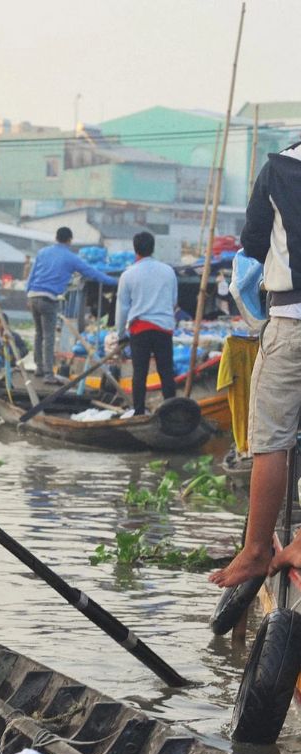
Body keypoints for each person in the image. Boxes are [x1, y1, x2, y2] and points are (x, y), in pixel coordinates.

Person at [211, 141, 301, 587]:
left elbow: (252, 242)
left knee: (272, 440)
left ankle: (256, 549)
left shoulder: (281, 167)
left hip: (291, 319)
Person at [26, 226, 118, 384]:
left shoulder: (42, 253)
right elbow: (92, 273)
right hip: (49, 298)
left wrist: (28, 295)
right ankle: (48, 374)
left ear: (56, 238)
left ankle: (39, 367)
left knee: (38, 334)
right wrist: (116, 282)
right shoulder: (71, 258)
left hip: (34, 296)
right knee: (48, 336)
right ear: (69, 240)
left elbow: (31, 276)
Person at [115, 232, 178, 416]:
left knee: (139, 372)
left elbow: (122, 309)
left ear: (135, 250)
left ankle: (139, 412)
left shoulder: (128, 275)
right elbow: (173, 302)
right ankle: (171, 411)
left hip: (139, 329)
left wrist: (120, 336)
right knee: (166, 371)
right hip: (164, 328)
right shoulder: (168, 271)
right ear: (153, 248)